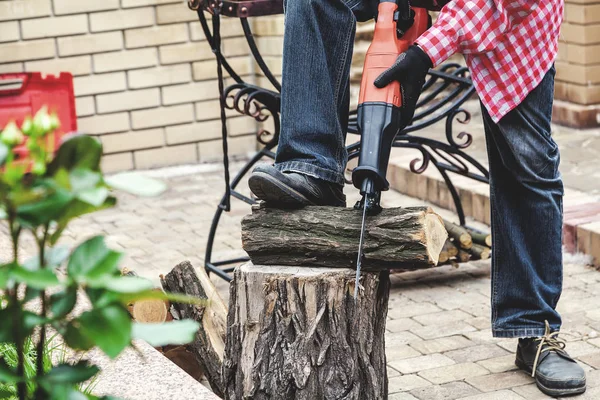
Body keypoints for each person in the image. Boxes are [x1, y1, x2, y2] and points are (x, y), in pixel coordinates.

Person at [248, 0, 586, 396]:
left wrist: (426, 52)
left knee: (526, 161)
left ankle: (535, 328)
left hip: (512, 12)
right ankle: (311, 163)